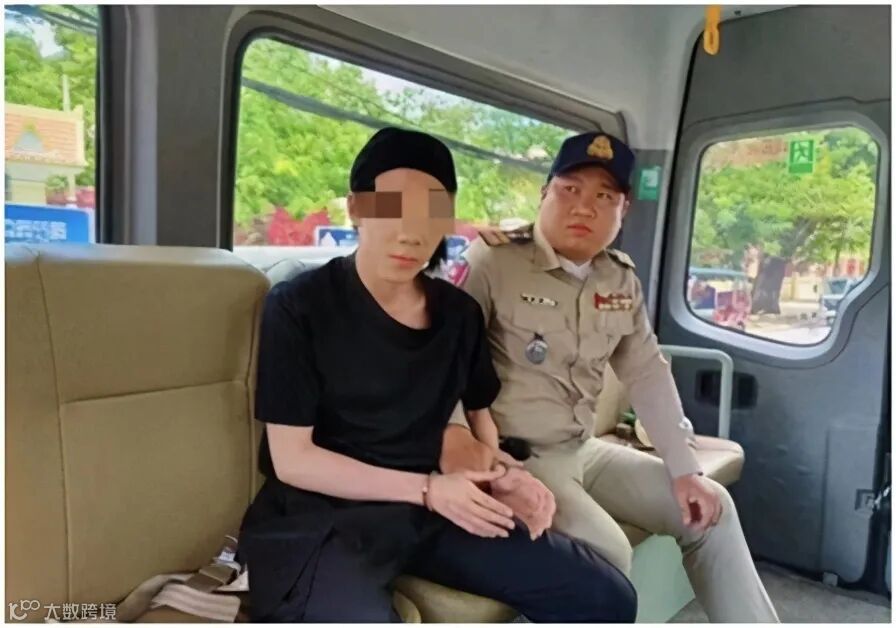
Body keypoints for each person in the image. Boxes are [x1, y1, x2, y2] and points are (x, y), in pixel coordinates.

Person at [237, 127, 637, 623]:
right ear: (356, 208)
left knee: (606, 597)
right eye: (392, 208)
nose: (412, 232)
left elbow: (477, 417)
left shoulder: (457, 314)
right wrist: (426, 488)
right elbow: (294, 461)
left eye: (432, 211)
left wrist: (501, 477)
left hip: (434, 510)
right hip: (325, 519)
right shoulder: (301, 306)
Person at [441, 131, 779, 622]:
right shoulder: (493, 261)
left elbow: (646, 372)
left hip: (584, 450)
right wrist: (471, 460)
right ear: (544, 193)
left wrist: (684, 469)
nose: (585, 207)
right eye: (570, 189)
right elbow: (441, 366)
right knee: (608, 554)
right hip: (517, 458)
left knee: (711, 507)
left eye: (605, 197)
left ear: (624, 211)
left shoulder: (619, 278)